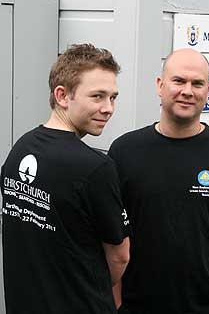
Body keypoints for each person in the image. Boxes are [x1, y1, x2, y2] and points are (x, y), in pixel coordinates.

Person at [108, 48, 209, 314]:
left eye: (197, 83)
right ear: (160, 85)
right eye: (179, 81)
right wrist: (116, 304)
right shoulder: (124, 151)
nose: (188, 91)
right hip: (138, 307)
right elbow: (110, 235)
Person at [1, 43, 130, 314]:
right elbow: (119, 257)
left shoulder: (21, 148)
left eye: (113, 97)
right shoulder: (95, 167)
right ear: (62, 95)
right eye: (97, 96)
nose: (108, 108)